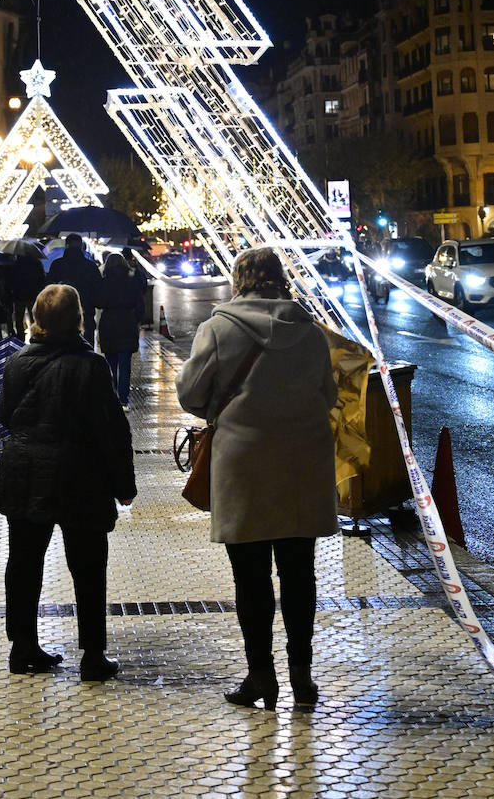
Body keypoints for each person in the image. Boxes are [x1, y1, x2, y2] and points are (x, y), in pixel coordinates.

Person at [175, 246, 338, 711]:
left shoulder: (219, 328)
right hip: (302, 466)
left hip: (243, 467)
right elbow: (328, 394)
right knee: (299, 574)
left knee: (251, 579)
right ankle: (302, 676)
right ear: (279, 279)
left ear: (239, 279)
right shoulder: (309, 331)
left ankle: (260, 675)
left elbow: (190, 392)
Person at [0, 283, 136, 681]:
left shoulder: (18, 362)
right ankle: (92, 655)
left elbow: (6, 417)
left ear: (36, 319)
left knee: (23, 563)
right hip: (81, 477)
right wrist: (123, 484)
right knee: (89, 567)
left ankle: (23, 646)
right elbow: (112, 430)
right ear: (78, 318)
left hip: (25, 474)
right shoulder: (91, 365)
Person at [97, 252, 144, 407]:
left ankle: (113, 396)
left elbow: (98, 302)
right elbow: (140, 304)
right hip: (126, 322)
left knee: (111, 364)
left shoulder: (103, 283)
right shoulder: (131, 282)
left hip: (109, 323)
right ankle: (123, 399)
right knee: (125, 364)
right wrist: (135, 319)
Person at [46, 234, 103, 348]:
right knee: (87, 347)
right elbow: (98, 289)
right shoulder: (90, 266)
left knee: (64, 347)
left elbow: (49, 288)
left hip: (62, 311)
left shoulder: (57, 265)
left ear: (66, 245)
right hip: (86, 310)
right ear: (81, 246)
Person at [8, 248, 47, 338]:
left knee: (19, 317)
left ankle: (20, 336)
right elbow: (41, 279)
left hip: (19, 294)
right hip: (33, 294)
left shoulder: (16, 264)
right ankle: (35, 335)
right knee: (34, 316)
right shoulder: (36, 263)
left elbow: (11, 279)